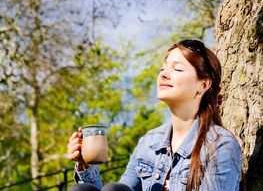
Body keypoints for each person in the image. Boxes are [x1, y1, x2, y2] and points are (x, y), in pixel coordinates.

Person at [67, 39, 242, 191]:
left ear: (203, 85)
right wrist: (86, 165)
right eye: (163, 68)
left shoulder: (219, 146)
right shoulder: (150, 142)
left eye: (177, 69)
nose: (163, 74)